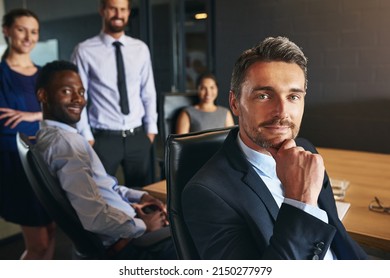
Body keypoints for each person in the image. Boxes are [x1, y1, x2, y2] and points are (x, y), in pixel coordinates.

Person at [182, 36, 368, 260]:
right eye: (264, 95)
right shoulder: (207, 193)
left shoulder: (306, 150)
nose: (282, 112)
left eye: (293, 96)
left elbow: (338, 238)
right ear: (235, 103)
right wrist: (301, 202)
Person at [34, 60, 175, 259]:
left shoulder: (50, 136)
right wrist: (144, 225)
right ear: (43, 95)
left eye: (81, 92)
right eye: (67, 91)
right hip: (127, 244)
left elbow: (104, 188)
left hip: (125, 224)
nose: (78, 99)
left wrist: (139, 197)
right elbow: (95, 216)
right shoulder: (66, 144)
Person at [71, 0, 158, 188]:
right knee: (101, 195)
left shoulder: (140, 49)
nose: (118, 14)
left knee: (144, 197)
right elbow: (78, 98)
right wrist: (87, 137)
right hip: (103, 140)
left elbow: (148, 92)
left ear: (128, 13)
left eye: (123, 9)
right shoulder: (85, 50)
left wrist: (151, 131)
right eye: (113, 8)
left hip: (138, 137)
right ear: (102, 10)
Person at [0, 8, 55, 260]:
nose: (28, 37)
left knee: (52, 232)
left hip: (47, 159)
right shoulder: (1, 75)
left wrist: (33, 116)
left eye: (33, 31)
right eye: (21, 29)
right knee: (39, 243)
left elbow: (60, 113)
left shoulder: (45, 74)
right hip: (16, 163)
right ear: (7, 31)